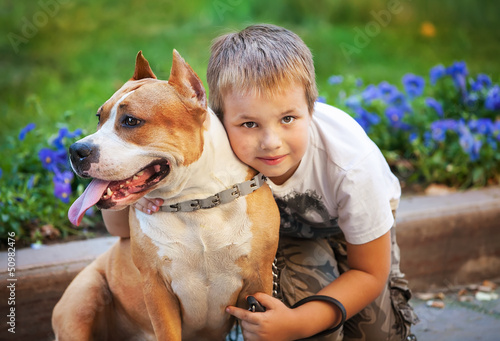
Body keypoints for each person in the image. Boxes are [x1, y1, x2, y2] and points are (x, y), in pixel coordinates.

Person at [102, 24, 419, 341]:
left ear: (312, 108)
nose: (271, 142)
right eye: (249, 123)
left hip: (359, 238)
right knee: (299, 317)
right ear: (218, 117)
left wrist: (301, 323)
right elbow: (118, 231)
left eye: (288, 118)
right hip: (289, 240)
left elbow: (369, 272)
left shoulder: (352, 165)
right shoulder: (214, 143)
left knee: (378, 334)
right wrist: (138, 190)